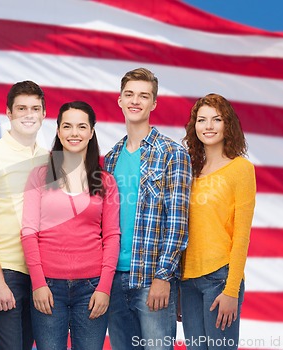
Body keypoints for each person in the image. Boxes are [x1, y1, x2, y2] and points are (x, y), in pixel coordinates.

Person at [21, 101, 121, 350]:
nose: (74, 133)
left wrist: (104, 288)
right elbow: (29, 232)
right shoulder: (40, 176)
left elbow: (112, 237)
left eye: (81, 127)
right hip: (48, 287)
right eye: (67, 126)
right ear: (58, 130)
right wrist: (39, 283)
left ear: (91, 131)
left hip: (91, 289)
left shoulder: (105, 181)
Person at [105, 68, 192, 350]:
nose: (135, 101)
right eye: (129, 94)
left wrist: (163, 276)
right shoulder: (110, 158)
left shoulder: (172, 153)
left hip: (150, 279)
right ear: (119, 100)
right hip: (114, 281)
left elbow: (178, 222)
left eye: (144, 96)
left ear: (154, 103)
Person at [0, 81, 48, 350]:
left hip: (40, 273)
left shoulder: (49, 159)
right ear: (9, 113)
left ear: (43, 114)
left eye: (35, 108)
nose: (29, 114)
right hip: (5, 269)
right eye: (22, 108)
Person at [180, 93, 256, 350]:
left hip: (220, 279)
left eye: (216, 119)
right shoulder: (189, 171)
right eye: (202, 120)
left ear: (228, 125)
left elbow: (242, 234)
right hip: (187, 281)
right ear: (194, 126)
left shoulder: (241, 169)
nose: (209, 126)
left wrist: (232, 290)